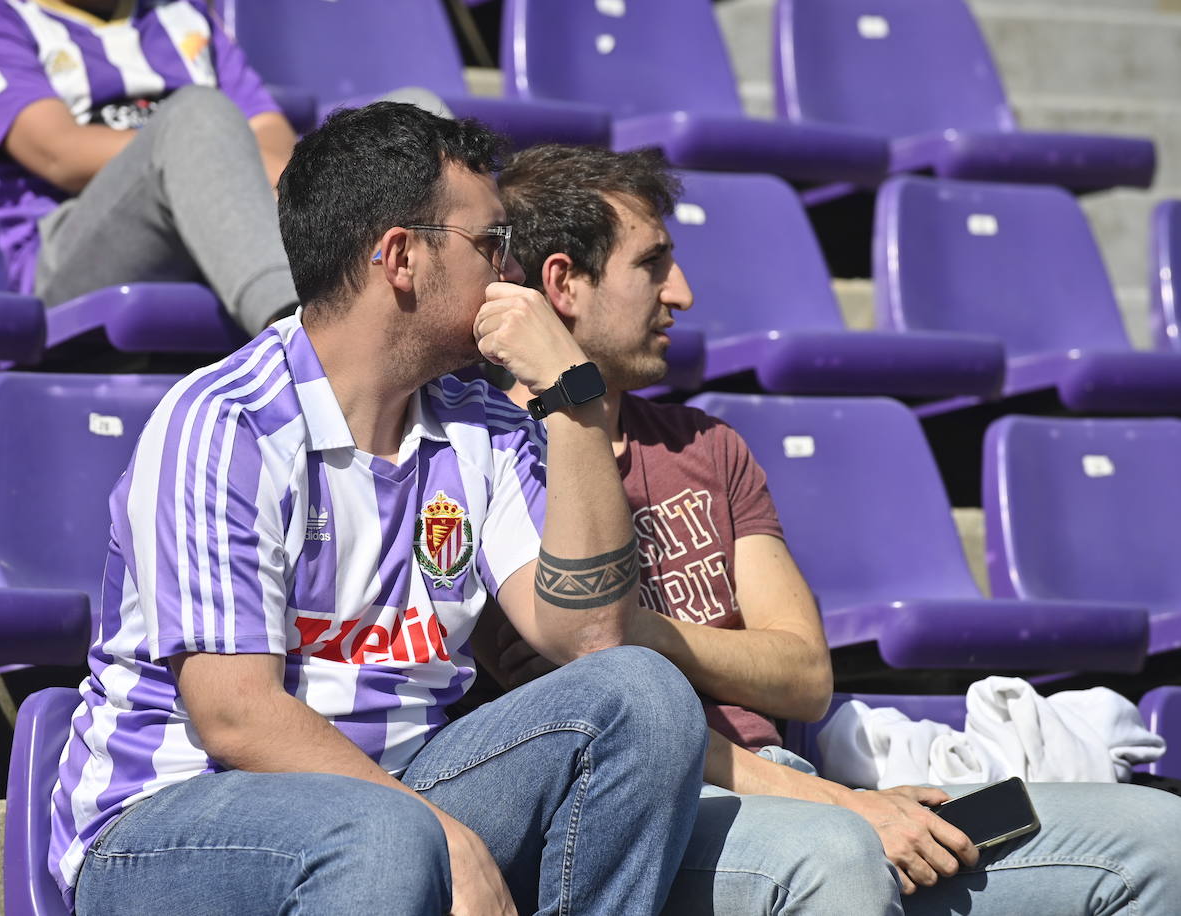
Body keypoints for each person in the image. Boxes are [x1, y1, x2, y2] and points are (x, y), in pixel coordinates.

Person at [483, 143, 1181, 915]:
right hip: (665, 816)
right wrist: (841, 809)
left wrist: (625, 629)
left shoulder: (705, 445)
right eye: (653, 264)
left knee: (1156, 839)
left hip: (798, 783)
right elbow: (614, 742)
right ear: (563, 282)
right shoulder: (490, 467)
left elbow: (806, 676)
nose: (682, 292)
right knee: (839, 861)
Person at [48, 104, 707, 916]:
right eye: (491, 245)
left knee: (642, 692)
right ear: (401, 257)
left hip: (397, 790)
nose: (512, 274)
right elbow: (234, 716)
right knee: (381, 837)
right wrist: (435, 829)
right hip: (174, 822)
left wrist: (577, 401)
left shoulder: (485, 424)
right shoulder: (229, 422)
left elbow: (588, 635)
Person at [0, 0, 298, 334]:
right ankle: (296, 339)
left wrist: (216, 154)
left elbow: (269, 128)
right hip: (66, 253)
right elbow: (59, 153)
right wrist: (204, 148)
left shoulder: (185, 13)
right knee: (197, 117)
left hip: (210, 221)